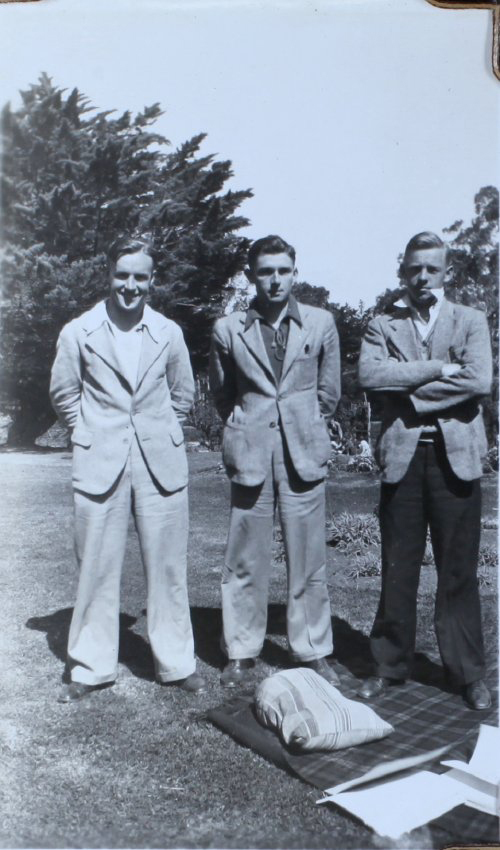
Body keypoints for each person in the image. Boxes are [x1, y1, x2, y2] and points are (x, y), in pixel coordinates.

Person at [50, 235, 205, 702]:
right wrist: (92, 433)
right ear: (108, 276)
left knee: (168, 567)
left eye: (140, 276)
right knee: (95, 565)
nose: (130, 285)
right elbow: (64, 395)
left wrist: (157, 432)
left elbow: (183, 394)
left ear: (152, 281)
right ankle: (92, 666)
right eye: (122, 275)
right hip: (101, 461)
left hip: (161, 462)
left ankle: (176, 663)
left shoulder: (168, 332)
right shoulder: (79, 331)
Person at [357, 231, 492, 710]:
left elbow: (479, 380)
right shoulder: (382, 324)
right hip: (403, 459)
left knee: (458, 571)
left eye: (432, 269)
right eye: (414, 269)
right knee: (398, 568)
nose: (422, 277)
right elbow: (371, 376)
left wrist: (407, 390)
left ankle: (467, 672)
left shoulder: (471, 320)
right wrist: (437, 370)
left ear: (446, 272)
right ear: (403, 272)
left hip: (456, 460)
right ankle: (389, 666)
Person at [209, 235, 341, 687]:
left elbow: (329, 392)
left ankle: (313, 649)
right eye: (266, 271)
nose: (275, 280)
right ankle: (242, 650)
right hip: (251, 453)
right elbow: (222, 393)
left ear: (295, 272)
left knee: (308, 557)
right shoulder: (228, 329)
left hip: (303, 451)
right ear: (251, 276)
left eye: (283, 270)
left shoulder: (320, 323)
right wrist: (249, 424)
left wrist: (305, 423)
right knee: (245, 556)